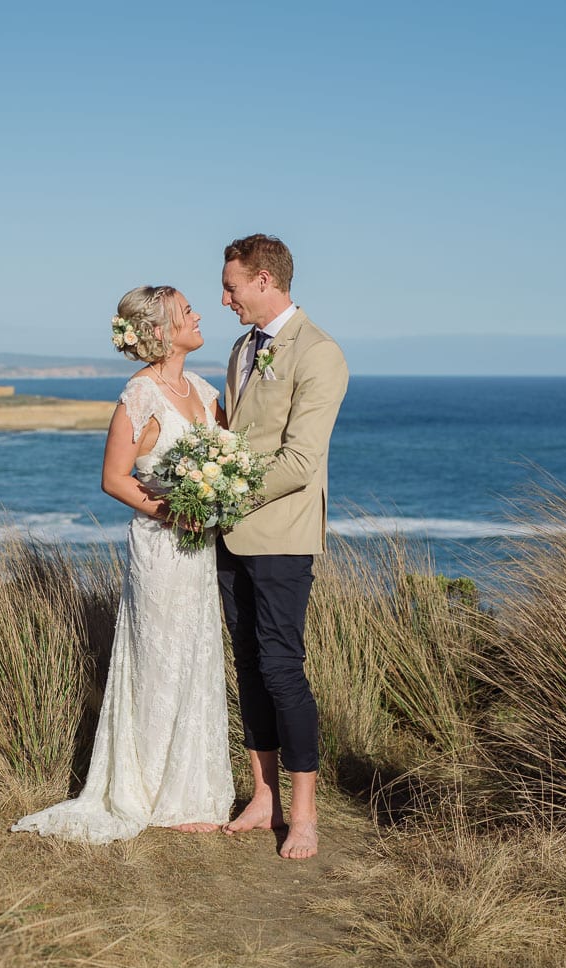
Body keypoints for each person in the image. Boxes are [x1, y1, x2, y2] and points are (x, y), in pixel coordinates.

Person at [11, 285, 234, 842]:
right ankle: (147, 790)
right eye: (187, 311)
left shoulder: (206, 394)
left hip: (201, 549)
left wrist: (217, 498)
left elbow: (231, 459)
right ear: (160, 331)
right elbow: (114, 478)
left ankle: (192, 790)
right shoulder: (139, 395)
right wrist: (172, 511)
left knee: (196, 655)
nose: (198, 315)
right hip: (161, 547)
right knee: (157, 658)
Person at [216, 234, 349, 860]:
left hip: (281, 535)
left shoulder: (320, 354)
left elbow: (299, 461)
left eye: (232, 287)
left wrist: (217, 497)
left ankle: (304, 813)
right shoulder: (242, 348)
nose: (225, 299)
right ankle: (263, 796)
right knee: (246, 665)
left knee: (281, 668)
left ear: (264, 280)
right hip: (231, 534)